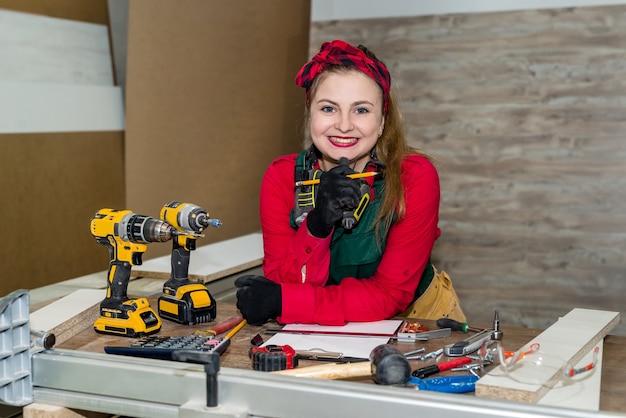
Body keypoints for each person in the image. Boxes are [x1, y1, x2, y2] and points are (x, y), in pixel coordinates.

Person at [235, 39, 466, 326]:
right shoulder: (281, 177)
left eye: (361, 110)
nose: (344, 125)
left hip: (419, 320)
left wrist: (288, 301)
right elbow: (286, 282)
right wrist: (317, 225)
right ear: (310, 115)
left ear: (382, 121)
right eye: (329, 109)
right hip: (318, 323)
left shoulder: (415, 176)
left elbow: (390, 293)